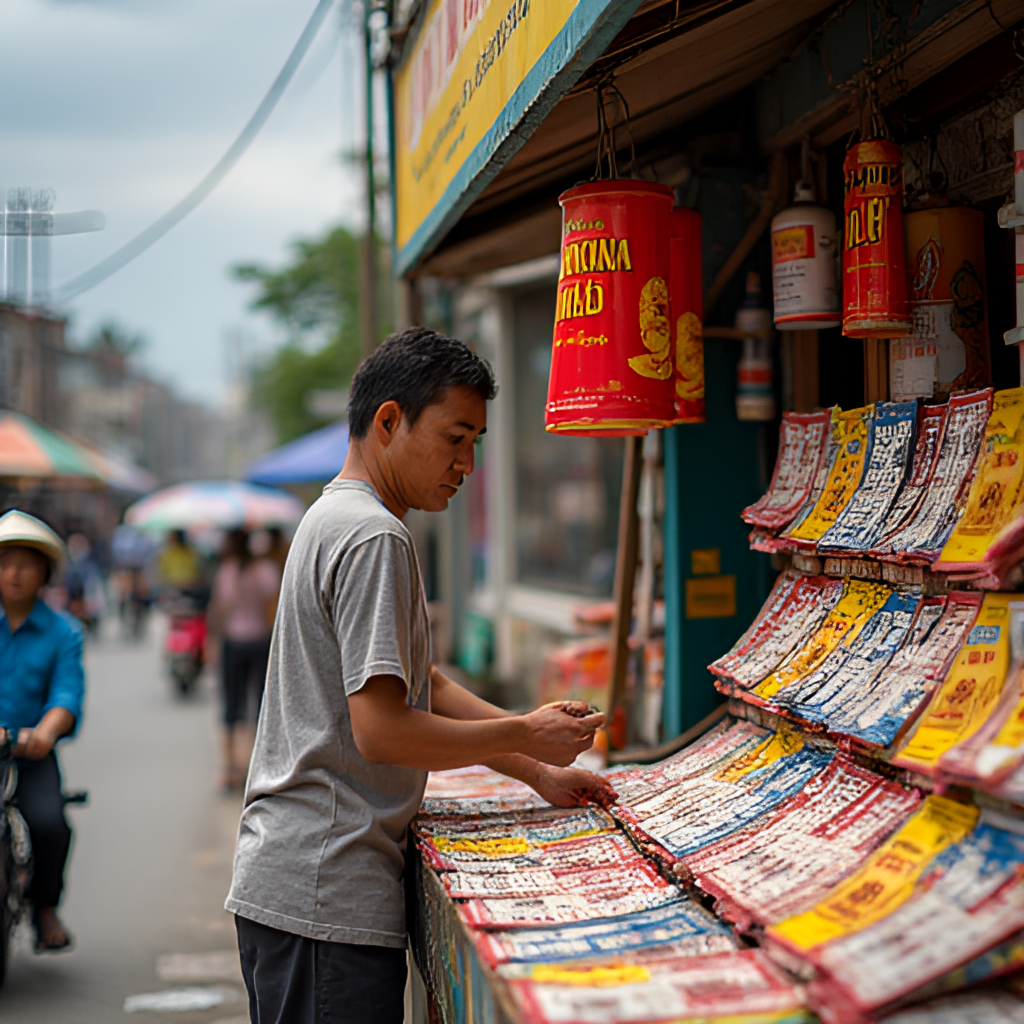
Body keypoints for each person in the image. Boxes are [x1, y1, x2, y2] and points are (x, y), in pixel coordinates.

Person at [226, 327, 615, 1024]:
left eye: (477, 443)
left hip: (300, 888)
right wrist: (527, 727)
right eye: (455, 437)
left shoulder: (334, 516)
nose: (467, 463)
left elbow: (420, 684)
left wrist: (535, 767)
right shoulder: (375, 535)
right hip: (326, 895)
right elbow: (381, 729)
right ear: (387, 422)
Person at [0, 510, 85, 953]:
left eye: (24, 563)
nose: (13, 573)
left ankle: (46, 908)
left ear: (44, 573)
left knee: (51, 826)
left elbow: (66, 696)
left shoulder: (64, 632)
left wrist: (45, 733)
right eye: (4, 561)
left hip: (32, 753)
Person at [208, 529, 280, 789]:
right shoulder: (265, 570)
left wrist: (212, 642)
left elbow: (218, 609)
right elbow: (271, 607)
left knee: (231, 705)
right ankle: (253, 764)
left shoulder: (226, 571)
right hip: (260, 642)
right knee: (259, 707)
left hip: (233, 642)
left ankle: (229, 766)